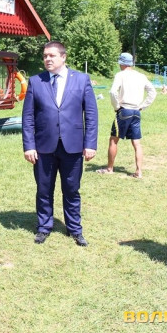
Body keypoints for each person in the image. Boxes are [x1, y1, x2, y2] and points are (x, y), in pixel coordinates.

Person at [22, 41, 98, 246]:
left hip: (73, 146)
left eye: (52, 55)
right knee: (44, 189)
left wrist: (90, 144)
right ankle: (44, 227)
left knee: (71, 189)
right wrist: (29, 146)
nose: (47, 59)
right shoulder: (36, 81)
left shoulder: (81, 80)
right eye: (45, 56)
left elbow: (91, 115)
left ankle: (74, 229)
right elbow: (28, 117)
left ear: (63, 57)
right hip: (43, 147)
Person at [96, 52, 156, 178]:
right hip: (136, 112)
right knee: (137, 143)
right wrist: (143, 106)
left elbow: (113, 92)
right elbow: (152, 92)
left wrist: (116, 107)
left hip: (124, 110)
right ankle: (139, 171)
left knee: (113, 140)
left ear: (121, 63)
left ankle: (109, 168)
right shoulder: (141, 76)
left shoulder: (120, 75)